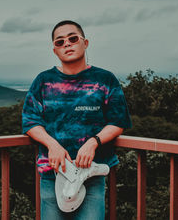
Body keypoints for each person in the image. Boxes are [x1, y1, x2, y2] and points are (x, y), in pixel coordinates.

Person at [22, 20, 132, 219]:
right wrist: (52, 144)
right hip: (52, 172)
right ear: (55, 50)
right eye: (60, 42)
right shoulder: (43, 80)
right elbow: (30, 120)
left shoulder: (105, 79)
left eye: (73, 38)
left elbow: (118, 121)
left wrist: (93, 142)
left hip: (91, 173)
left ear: (85, 43)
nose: (67, 44)